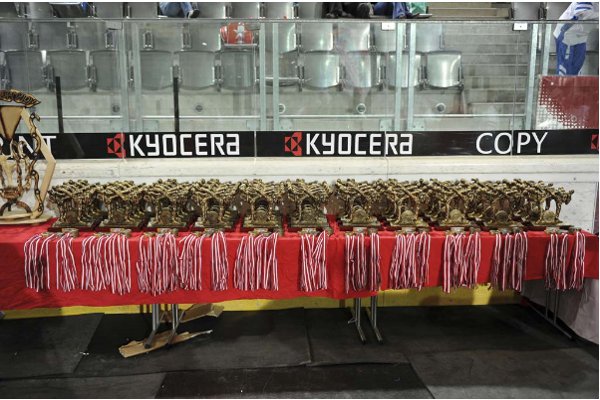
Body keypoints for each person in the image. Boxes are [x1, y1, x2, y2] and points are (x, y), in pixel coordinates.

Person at [554, 2, 599, 75]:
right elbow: (584, 14)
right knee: (565, 70)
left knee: (577, 69)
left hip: (582, 37)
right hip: (567, 36)